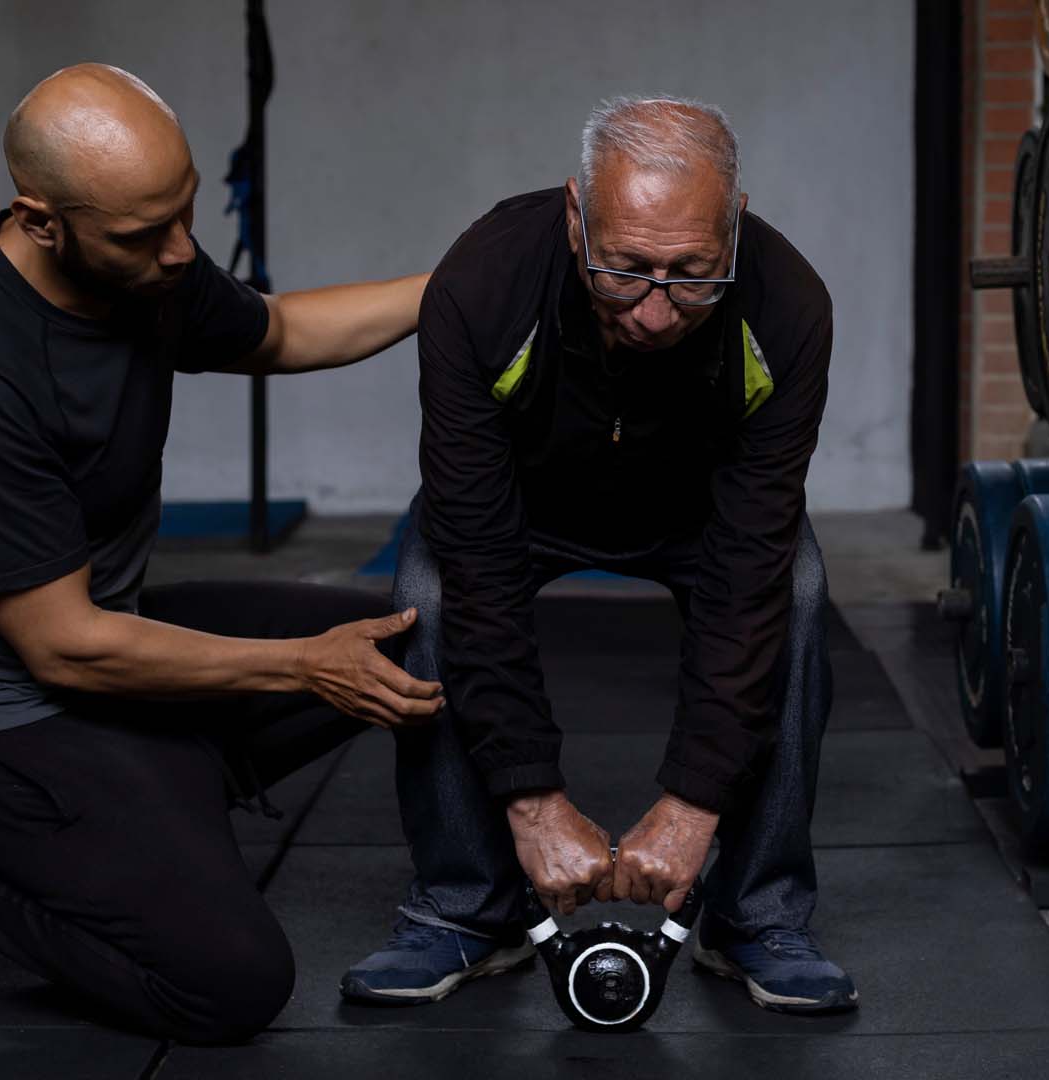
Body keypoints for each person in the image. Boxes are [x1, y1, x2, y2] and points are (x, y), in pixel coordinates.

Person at [0, 64, 439, 1045]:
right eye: (149, 234)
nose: (183, 253)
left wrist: (463, 284)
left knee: (411, 633)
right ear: (42, 219)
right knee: (229, 987)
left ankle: (151, 811)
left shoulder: (140, 261)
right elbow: (63, 648)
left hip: (114, 655)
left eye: (183, 214)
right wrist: (303, 666)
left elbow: (283, 330)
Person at [340, 96, 857, 1014]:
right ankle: (469, 907)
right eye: (625, 271)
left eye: (691, 274)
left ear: (734, 226)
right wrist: (533, 802)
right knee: (431, 590)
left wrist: (693, 804)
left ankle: (754, 917)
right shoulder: (482, 285)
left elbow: (747, 572)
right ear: (575, 217)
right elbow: (479, 556)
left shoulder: (789, 306)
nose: (656, 313)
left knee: (796, 589)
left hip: (703, 515)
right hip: (519, 507)